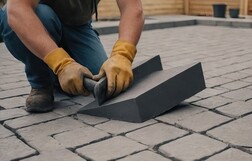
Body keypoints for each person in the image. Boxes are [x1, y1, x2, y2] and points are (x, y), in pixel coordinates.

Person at [0, 0, 144, 112]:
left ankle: (59, 79)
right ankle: (41, 83)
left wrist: (123, 54)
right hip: (42, 21)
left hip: (79, 26)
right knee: (13, 16)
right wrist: (61, 64)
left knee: (99, 77)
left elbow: (131, 8)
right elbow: (17, 10)